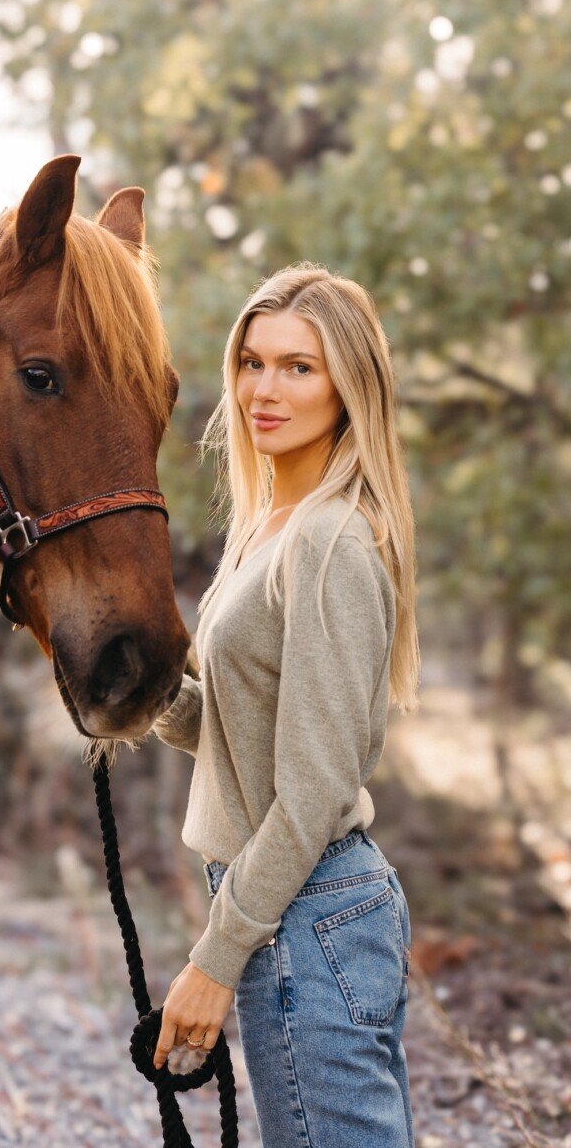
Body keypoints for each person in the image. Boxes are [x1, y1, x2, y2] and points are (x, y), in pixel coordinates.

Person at [150, 262, 419, 1148]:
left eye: (298, 367)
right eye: (252, 361)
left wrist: (213, 959)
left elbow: (310, 793)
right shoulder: (270, 523)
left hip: (308, 912)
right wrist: (141, 698)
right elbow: (253, 741)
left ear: (349, 387)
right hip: (295, 907)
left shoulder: (332, 539)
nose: (264, 389)